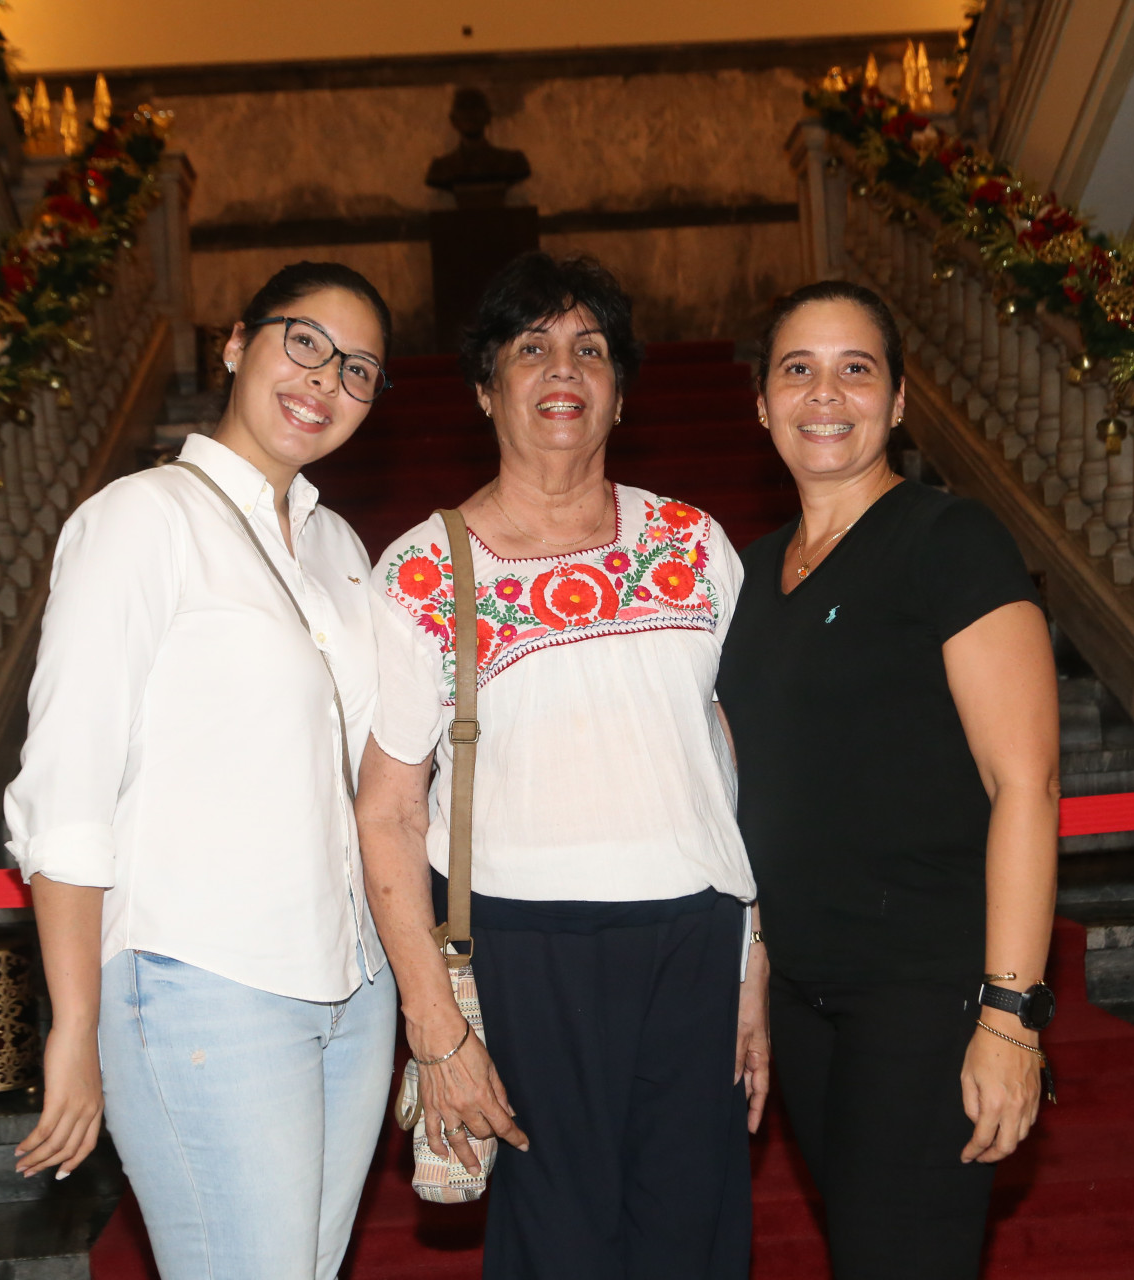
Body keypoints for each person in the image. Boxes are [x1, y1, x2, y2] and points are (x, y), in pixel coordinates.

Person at [357, 251, 767, 1280]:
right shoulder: (422, 570)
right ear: (484, 386)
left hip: (697, 940)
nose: (563, 371)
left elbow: (731, 765)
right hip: (524, 947)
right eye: (531, 347)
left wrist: (754, 957)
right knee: (559, 1250)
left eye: (591, 350)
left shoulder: (695, 544)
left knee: (695, 1241)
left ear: (621, 393)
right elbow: (389, 811)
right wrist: (436, 1024)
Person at [2, 262, 399, 1280]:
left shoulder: (340, 547)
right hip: (200, 979)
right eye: (303, 342)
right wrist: (74, 1024)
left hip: (354, 987)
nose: (325, 379)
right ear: (234, 342)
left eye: (358, 369)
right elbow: (67, 787)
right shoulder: (141, 519)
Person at [714, 280, 1060, 1279]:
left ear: (899, 400)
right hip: (806, 998)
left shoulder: (950, 541)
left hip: (927, 991)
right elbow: (759, 800)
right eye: (798, 369)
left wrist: (1011, 1015)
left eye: (856, 369)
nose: (826, 393)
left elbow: (1026, 784)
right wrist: (758, 972)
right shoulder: (749, 576)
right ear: (763, 404)